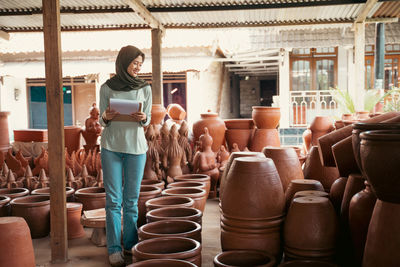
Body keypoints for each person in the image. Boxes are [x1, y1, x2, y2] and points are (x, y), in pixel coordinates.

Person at [99, 45, 152, 267]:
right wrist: (106, 115)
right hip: (111, 146)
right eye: (134, 63)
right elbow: (102, 120)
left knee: (131, 201)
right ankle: (113, 249)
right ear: (123, 63)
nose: (138, 68)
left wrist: (142, 117)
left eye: (140, 64)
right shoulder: (106, 87)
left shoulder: (145, 88)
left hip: (136, 149)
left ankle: (130, 245)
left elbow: (147, 119)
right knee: (113, 200)